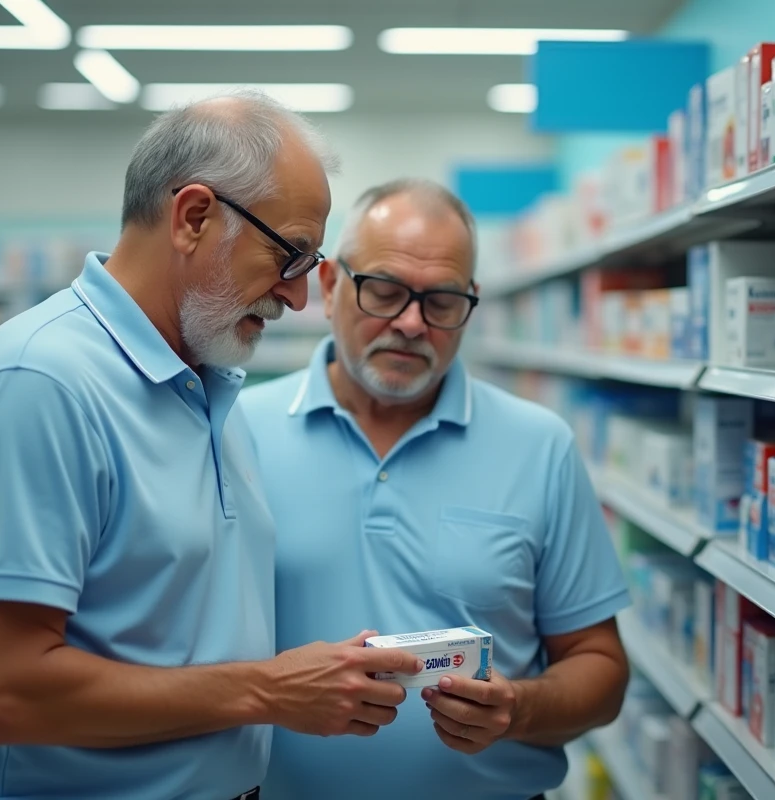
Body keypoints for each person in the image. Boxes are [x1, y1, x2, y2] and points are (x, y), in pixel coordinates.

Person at [0, 93, 422, 800]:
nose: (298, 297)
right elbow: (2, 694)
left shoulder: (208, 384)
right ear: (193, 217)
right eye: (290, 255)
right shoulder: (40, 386)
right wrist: (268, 691)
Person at [238, 179, 632, 800]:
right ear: (332, 285)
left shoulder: (539, 446)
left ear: (471, 303)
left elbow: (601, 668)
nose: (412, 323)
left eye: (443, 302)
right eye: (384, 291)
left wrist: (519, 708)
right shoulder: (237, 432)